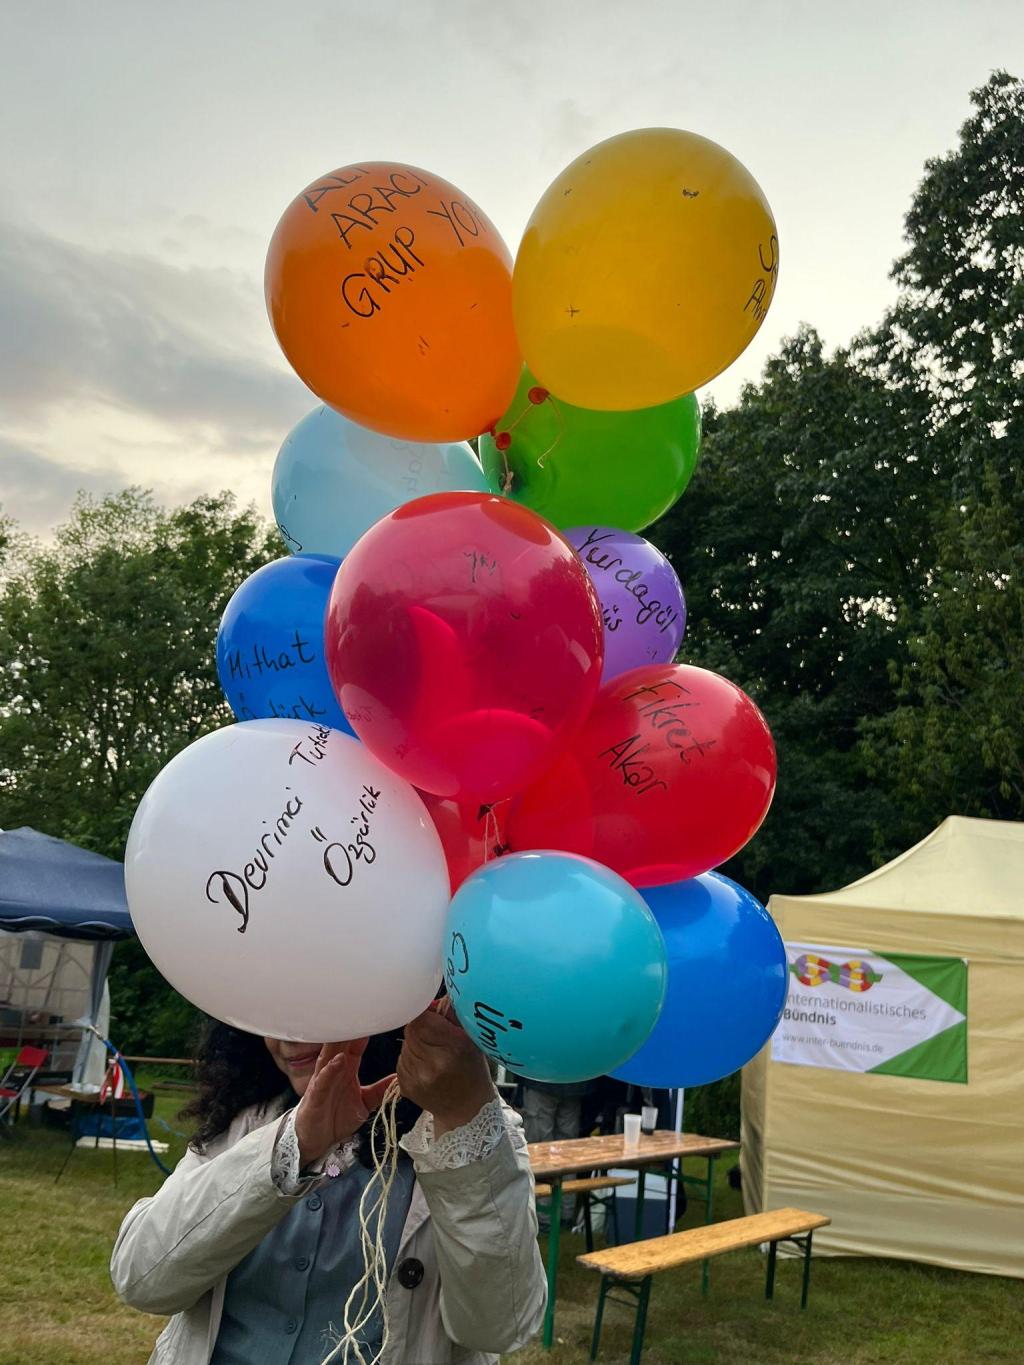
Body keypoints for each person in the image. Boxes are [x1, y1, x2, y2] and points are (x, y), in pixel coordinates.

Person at [111, 999, 546, 1364]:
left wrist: (461, 1118)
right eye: (269, 1008)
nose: (286, 1038)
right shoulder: (246, 1119)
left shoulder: (474, 1132)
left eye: (316, 1004)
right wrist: (289, 1146)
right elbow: (141, 1278)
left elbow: (500, 1326)